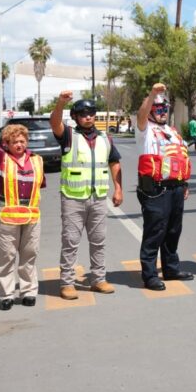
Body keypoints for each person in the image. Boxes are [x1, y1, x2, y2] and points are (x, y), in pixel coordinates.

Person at [50, 92, 123, 300]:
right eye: (83, 114)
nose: (88, 117)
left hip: (98, 198)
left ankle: (98, 279)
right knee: (70, 241)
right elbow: (55, 122)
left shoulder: (105, 139)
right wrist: (61, 102)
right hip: (73, 198)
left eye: (91, 113)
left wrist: (117, 188)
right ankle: (67, 283)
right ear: (75, 117)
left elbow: (115, 163)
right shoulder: (68, 136)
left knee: (99, 241)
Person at [0, 104, 46, 310]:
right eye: (14, 141)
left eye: (22, 140)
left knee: (29, 254)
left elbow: (39, 186)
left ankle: (28, 291)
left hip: (31, 214)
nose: (19, 144)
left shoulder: (37, 161)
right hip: (5, 213)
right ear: (6, 143)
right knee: (6, 256)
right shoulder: (1, 158)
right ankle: (6, 295)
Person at [136, 83, 193, 290]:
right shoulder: (145, 130)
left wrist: (184, 184)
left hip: (176, 187)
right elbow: (141, 114)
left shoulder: (172, 131)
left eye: (164, 109)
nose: (162, 112)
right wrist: (152, 94)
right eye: (157, 109)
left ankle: (171, 268)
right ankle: (149, 275)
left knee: (173, 230)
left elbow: (179, 158)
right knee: (155, 231)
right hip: (155, 189)